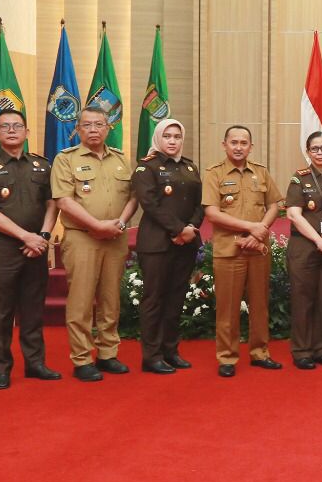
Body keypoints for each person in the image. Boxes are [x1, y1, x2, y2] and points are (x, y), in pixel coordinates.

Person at [0, 109, 60, 390]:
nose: (12, 130)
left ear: (26, 132)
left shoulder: (42, 166)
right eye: (5, 126)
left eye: (17, 126)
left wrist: (43, 236)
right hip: (1, 250)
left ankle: (35, 363)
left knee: (34, 310)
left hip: (36, 248)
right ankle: (1, 369)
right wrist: (26, 236)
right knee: (1, 313)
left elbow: (52, 203)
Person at [51, 105, 138, 382]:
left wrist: (120, 223)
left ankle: (107, 354)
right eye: (86, 125)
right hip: (82, 238)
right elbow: (63, 200)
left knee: (111, 299)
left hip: (116, 236)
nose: (93, 130)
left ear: (108, 127)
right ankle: (81, 358)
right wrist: (97, 225)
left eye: (99, 124)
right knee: (82, 300)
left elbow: (135, 196)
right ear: (77, 129)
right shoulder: (66, 159)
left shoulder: (122, 160)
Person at [202, 125, 284, 377]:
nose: (239, 147)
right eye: (234, 142)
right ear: (224, 144)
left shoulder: (260, 172)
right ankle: (227, 356)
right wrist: (251, 228)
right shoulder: (214, 174)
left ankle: (260, 352)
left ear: (251, 146)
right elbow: (212, 213)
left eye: (244, 142)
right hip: (230, 250)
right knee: (228, 307)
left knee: (260, 305)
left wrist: (258, 232)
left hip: (257, 249)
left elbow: (275, 204)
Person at [132, 118, 202, 375]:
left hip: (185, 244)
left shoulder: (190, 167)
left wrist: (190, 230)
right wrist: (178, 230)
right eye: (167, 136)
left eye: (177, 136)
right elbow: (149, 204)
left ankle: (171, 351)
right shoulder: (146, 167)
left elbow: (199, 205)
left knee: (175, 299)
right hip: (157, 244)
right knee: (154, 299)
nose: (173, 141)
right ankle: (151, 356)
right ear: (158, 139)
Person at [285, 131, 322, 370]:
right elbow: (293, 214)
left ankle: (320, 348)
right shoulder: (299, 179)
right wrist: (319, 241)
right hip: (304, 247)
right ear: (308, 152)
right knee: (303, 300)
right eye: (315, 149)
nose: (320, 153)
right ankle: (301, 351)